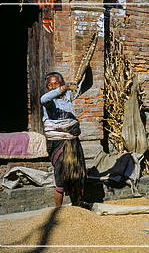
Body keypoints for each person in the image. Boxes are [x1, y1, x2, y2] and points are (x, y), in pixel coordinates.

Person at [40, 72, 86, 207]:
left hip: (72, 141)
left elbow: (86, 85)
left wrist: (87, 70)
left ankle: (76, 208)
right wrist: (63, 88)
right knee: (61, 177)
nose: (53, 86)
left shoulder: (68, 98)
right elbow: (43, 99)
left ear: (61, 83)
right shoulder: (49, 102)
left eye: (56, 83)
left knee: (76, 174)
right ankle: (58, 211)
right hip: (57, 143)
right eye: (50, 84)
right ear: (47, 87)